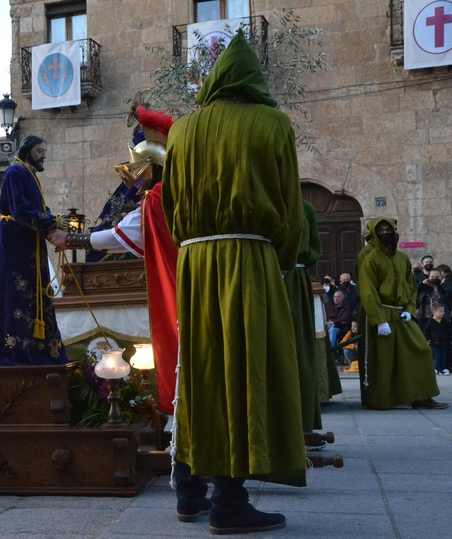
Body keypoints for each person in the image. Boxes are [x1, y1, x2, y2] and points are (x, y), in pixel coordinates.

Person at [161, 32, 306, 534]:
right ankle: (229, 502)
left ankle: (190, 492)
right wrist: (278, 262)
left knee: (199, 369)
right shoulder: (273, 124)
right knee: (245, 368)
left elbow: (171, 209)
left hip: (196, 261)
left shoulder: (181, 131)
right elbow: (290, 211)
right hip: (249, 258)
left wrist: (193, 248)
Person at [48, 106, 179, 414]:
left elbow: (116, 236)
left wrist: (70, 239)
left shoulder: (157, 199)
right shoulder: (173, 192)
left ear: (151, 168)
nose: (133, 178)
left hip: (175, 283)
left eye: (138, 170)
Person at [0, 136, 68, 366]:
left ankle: (40, 351)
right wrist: (52, 222)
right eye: (39, 151)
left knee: (35, 293)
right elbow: (20, 209)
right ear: (27, 151)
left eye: (44, 151)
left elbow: (38, 208)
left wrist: (52, 228)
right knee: (16, 294)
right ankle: (14, 353)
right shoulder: (15, 172)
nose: (43, 156)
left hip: (29, 241)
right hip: (16, 242)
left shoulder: (28, 173)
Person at [355, 218, 447, 410]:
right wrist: (379, 320)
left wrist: (409, 310)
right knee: (384, 359)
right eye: (381, 230)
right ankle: (382, 399)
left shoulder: (402, 259)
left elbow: (411, 288)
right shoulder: (369, 257)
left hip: (400, 313)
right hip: (380, 313)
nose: (385, 233)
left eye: (389, 229)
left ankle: (421, 396)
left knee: (420, 349)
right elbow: (367, 290)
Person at [283, 201, 323, 436]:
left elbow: (314, 246)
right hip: (263, 271)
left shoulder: (305, 208)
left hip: (294, 280)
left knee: (299, 348)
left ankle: (301, 422)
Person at [422, 304, 451, 376]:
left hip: (444, 342)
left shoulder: (445, 322)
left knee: (443, 356)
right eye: (440, 311)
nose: (442, 313)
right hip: (434, 343)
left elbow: (449, 332)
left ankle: (442, 368)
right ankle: (436, 368)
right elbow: (426, 332)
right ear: (434, 312)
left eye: (443, 311)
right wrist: (427, 339)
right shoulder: (430, 322)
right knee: (437, 356)